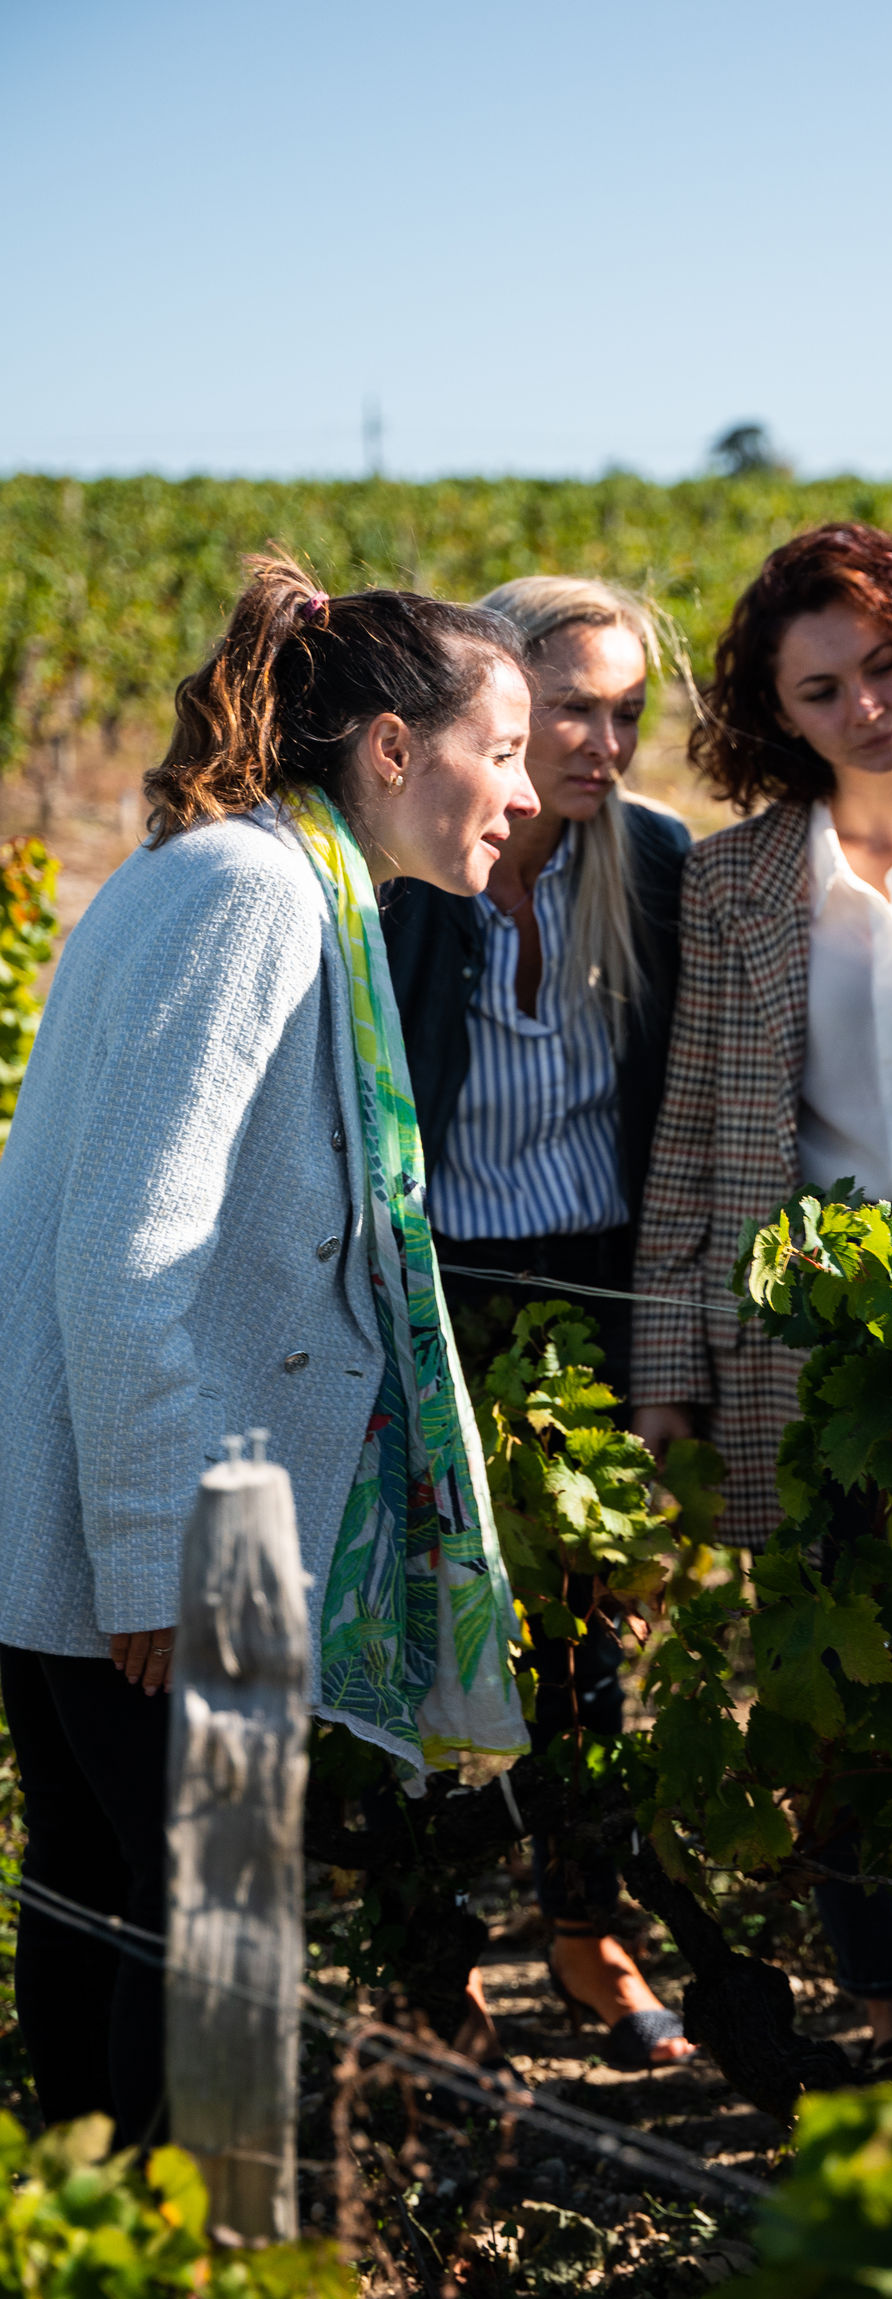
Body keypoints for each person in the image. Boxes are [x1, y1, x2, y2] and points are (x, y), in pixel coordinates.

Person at [0, 556, 535, 2141]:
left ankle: (105, 2293)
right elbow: (126, 1246)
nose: (516, 793)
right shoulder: (251, 894)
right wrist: (158, 1560)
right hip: (160, 1536)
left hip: (118, 1508)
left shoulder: (255, 875)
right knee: (212, 1926)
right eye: (496, 749)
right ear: (387, 748)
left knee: (109, 1895)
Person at [632, 522, 892, 2072]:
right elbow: (698, 1129)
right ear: (773, 717)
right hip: (806, 1338)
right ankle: (891, 2015)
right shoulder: (730, 885)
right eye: (820, 689)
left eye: (885, 664)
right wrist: (664, 1358)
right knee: (841, 1689)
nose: (868, 706)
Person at [383, 575, 693, 2071]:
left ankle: (586, 1930)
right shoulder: (415, 865)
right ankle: (437, 1960)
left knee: (590, 1640)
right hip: (437, 1280)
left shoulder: (654, 864)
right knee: (431, 1618)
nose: (601, 741)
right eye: (574, 707)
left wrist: (665, 1344)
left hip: (592, 1280)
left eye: (626, 712)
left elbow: (677, 1123)